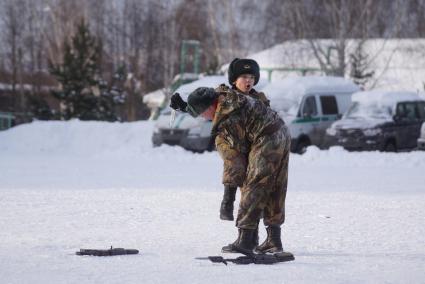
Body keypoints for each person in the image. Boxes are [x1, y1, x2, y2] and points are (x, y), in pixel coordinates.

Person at [170, 62, 291, 254]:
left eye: (203, 114)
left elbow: (235, 162)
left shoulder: (227, 116)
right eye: (244, 77)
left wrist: (228, 200)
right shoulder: (226, 97)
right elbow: (208, 103)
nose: (204, 118)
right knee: (274, 186)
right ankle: (273, 240)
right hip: (281, 133)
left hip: (266, 139)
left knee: (254, 185)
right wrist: (186, 108)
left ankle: (246, 240)